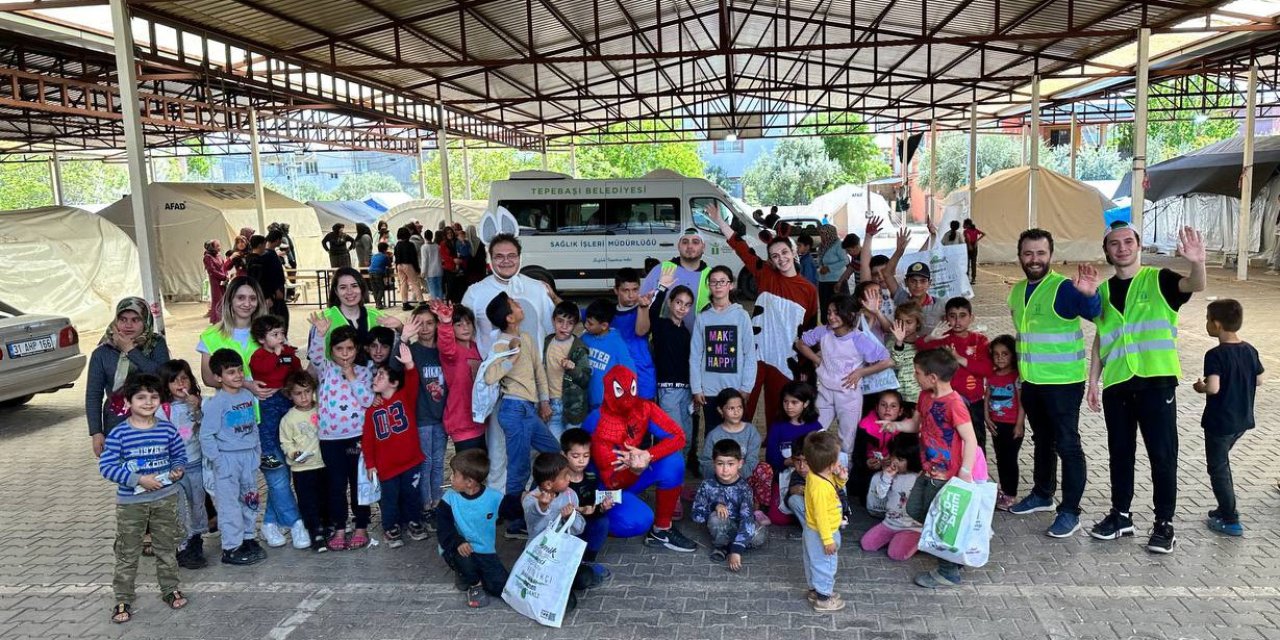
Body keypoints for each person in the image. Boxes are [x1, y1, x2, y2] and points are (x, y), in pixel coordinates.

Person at [1087, 223, 1206, 554]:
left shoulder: (1160, 280)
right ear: (1106, 251)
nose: (1122, 248)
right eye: (1114, 244)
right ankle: (1121, 515)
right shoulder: (1103, 292)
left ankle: (1164, 523)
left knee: (1162, 455)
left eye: (1128, 241)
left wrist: (1197, 262)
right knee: (1119, 453)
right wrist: (1093, 380)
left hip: (1156, 381)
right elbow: (1101, 338)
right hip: (1117, 384)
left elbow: (1195, 284)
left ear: (1138, 246)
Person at [1006, 229, 1101, 539]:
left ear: (1050, 255)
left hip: (1063, 383)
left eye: (1040, 253)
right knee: (1042, 440)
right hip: (1032, 381)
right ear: (1020, 256)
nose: (1034, 259)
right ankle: (1042, 494)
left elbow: (1093, 313)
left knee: (1067, 445)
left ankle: (1070, 512)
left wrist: (1090, 295)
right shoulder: (1017, 291)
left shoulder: (1063, 288)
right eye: (1028, 253)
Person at [460, 231, 556, 495]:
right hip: (496, 386)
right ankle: (499, 499)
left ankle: (531, 498)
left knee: (532, 448)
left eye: (511, 255)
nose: (506, 261)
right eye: (499, 256)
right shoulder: (475, 292)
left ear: (520, 257)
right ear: (490, 259)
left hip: (529, 386)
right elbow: (463, 334)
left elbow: (553, 330)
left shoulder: (536, 289)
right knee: (498, 447)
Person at [707, 206, 819, 424]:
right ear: (770, 260)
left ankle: (775, 447)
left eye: (784, 253)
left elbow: (810, 330)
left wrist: (806, 367)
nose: (781, 258)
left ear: (793, 252)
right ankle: (737, 444)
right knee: (742, 406)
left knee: (779, 413)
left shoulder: (809, 290)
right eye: (775, 256)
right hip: (755, 354)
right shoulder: (765, 274)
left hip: (785, 359)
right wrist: (720, 221)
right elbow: (741, 247)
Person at [882, 348, 981, 589]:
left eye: (917, 373)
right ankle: (953, 551)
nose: (914, 376)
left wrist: (965, 473)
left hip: (946, 475)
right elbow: (916, 425)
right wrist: (895, 426)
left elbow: (970, 439)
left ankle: (948, 572)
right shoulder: (925, 396)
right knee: (916, 509)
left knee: (940, 522)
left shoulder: (955, 404)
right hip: (928, 471)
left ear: (933, 377)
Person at [98, 373, 189, 624]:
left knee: (166, 547)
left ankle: (170, 588)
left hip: (165, 498)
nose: (148, 402)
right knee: (127, 552)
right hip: (131, 505)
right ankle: (123, 597)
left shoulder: (167, 429)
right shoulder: (119, 434)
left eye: (154, 397)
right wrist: (138, 480)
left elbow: (179, 456)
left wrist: (177, 470)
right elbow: (106, 467)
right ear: (128, 402)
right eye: (141, 397)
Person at [585, 366, 697, 551]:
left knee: (673, 461)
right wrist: (636, 469)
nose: (627, 398)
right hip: (603, 487)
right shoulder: (596, 421)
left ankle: (661, 530)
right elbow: (610, 480)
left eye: (631, 389)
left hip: (632, 470)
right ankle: (589, 522)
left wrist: (647, 455)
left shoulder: (644, 408)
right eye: (620, 391)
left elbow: (678, 436)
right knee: (639, 520)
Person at [482, 292, 560, 538]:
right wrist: (511, 358)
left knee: (553, 451)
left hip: (529, 409)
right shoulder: (501, 344)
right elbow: (490, 376)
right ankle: (515, 523)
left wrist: (544, 401)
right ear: (509, 317)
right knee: (518, 468)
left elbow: (539, 371)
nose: (519, 305)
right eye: (514, 304)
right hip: (513, 409)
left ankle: (533, 500)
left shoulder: (526, 337)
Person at [1193, 299, 1263, 537]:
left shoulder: (1215, 355)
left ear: (1217, 324)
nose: (1206, 324)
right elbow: (1259, 379)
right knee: (1222, 462)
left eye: (1207, 320)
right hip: (1242, 419)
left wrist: (1200, 387)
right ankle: (1225, 506)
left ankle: (1230, 518)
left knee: (1218, 468)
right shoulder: (1250, 350)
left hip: (1220, 421)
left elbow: (1213, 387)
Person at [306, 315, 375, 552]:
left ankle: (361, 526)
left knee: (358, 483)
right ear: (332, 350)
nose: (345, 354)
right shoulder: (325, 369)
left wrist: (352, 376)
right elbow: (315, 356)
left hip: (356, 438)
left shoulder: (364, 372)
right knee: (335, 485)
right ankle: (339, 527)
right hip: (330, 439)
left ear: (357, 350)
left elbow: (367, 400)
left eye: (350, 349)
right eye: (339, 349)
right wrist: (320, 334)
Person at [794, 293, 892, 456]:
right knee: (813, 432)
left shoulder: (859, 338)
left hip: (849, 395)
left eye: (837, 313)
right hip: (825, 391)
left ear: (850, 314)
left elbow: (887, 361)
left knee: (847, 440)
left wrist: (861, 372)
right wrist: (818, 360)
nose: (831, 317)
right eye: (829, 313)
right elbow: (800, 344)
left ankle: (845, 470)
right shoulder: (823, 332)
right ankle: (811, 465)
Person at [199, 349, 266, 566]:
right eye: (230, 372)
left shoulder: (247, 395)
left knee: (250, 499)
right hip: (227, 459)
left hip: (248, 457)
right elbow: (206, 435)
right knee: (229, 505)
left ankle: (248, 537)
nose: (237, 375)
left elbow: (253, 425)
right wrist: (218, 462)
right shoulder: (216, 403)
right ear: (218, 377)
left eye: (239, 370)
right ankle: (231, 547)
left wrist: (257, 451)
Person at [246, 314, 307, 550]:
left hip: (286, 403)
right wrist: (279, 355)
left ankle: (270, 522)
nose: (280, 337)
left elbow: (296, 369)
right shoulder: (259, 356)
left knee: (282, 474)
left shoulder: (287, 353)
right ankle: (295, 522)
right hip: (268, 408)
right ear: (262, 339)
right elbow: (264, 369)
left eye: (282, 333)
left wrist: (287, 355)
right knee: (276, 467)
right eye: (274, 334)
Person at [363, 344, 429, 548]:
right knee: (389, 499)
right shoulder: (371, 410)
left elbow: (413, 381)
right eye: (376, 375)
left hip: (411, 462)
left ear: (394, 383)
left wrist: (409, 365)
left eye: (381, 376)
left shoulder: (405, 397)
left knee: (412, 494)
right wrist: (370, 464)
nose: (375, 379)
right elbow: (368, 440)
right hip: (386, 467)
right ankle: (390, 527)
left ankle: (414, 521)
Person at [88, 298, 171, 458]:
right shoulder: (102, 352)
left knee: (154, 468)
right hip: (117, 423)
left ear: (145, 321)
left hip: (154, 420)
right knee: (123, 470)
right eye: (123, 319)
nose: (128, 325)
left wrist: (130, 350)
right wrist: (96, 432)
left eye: (135, 320)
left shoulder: (156, 344)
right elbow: (93, 395)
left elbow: (164, 378)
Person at [916, 297, 992, 453]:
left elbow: (987, 369)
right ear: (945, 318)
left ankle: (977, 468)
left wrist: (960, 359)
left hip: (974, 402)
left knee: (976, 442)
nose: (957, 321)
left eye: (963, 315)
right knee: (948, 441)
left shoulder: (980, 340)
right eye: (952, 316)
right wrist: (930, 337)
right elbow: (920, 347)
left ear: (971, 318)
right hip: (947, 402)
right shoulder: (942, 338)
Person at [690, 266, 757, 438]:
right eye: (713, 282)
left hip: (735, 388)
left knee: (736, 434)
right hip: (709, 389)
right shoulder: (703, 317)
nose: (718, 285)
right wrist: (696, 387)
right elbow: (696, 355)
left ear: (730, 285)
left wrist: (746, 387)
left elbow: (750, 354)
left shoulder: (741, 316)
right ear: (709, 286)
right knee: (712, 434)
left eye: (722, 281)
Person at [437, 449, 508, 608]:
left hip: (485, 550)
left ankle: (470, 576)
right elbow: (443, 528)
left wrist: (527, 500)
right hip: (458, 547)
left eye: (454, 474)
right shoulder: (448, 499)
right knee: (463, 557)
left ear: (469, 482)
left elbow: (511, 511)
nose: (450, 478)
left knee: (500, 587)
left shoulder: (494, 497)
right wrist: (458, 541)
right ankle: (474, 584)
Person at [157, 360, 208, 570]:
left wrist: (198, 409)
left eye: (184, 378)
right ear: (165, 385)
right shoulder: (163, 410)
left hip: (195, 463)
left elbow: (204, 426)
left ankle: (196, 539)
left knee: (198, 503)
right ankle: (182, 545)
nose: (180, 383)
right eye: (174, 380)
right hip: (174, 468)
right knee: (179, 507)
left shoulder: (197, 402)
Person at [692, 439, 768, 571]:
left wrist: (736, 551)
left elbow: (747, 519)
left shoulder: (744, 489)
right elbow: (696, 515)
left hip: (739, 527)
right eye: (720, 463)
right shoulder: (707, 485)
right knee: (717, 518)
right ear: (713, 463)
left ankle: (734, 546)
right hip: (720, 528)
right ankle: (721, 546)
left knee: (760, 535)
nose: (725, 469)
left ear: (740, 464)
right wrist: (714, 506)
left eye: (730, 464)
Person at [645, 269, 696, 466]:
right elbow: (651, 311)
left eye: (687, 305)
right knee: (674, 436)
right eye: (678, 302)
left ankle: (676, 472)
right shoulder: (660, 326)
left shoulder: (686, 332)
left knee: (687, 436)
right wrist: (662, 288)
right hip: (668, 391)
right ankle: (671, 476)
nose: (682, 308)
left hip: (686, 391)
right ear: (670, 303)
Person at [402, 306, 448, 520]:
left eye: (430, 323)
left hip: (442, 417)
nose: (425, 328)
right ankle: (425, 503)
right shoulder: (412, 350)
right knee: (425, 462)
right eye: (419, 324)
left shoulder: (443, 350)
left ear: (437, 324)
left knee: (438, 461)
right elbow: (395, 366)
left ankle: (437, 500)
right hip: (421, 416)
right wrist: (403, 338)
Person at [278, 370, 327, 551]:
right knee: (308, 501)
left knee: (325, 497)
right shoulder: (288, 419)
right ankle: (315, 532)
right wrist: (293, 453)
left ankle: (327, 526)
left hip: (323, 463)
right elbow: (285, 442)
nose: (304, 397)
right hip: (302, 468)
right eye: (298, 393)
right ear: (290, 395)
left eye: (307, 391)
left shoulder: (321, 409)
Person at [762, 381, 822, 525]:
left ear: (806, 403)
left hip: (809, 476)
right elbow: (771, 456)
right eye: (786, 402)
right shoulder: (777, 426)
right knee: (778, 519)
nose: (789, 406)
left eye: (794, 402)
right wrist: (789, 461)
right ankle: (801, 513)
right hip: (783, 474)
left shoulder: (815, 426)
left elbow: (822, 454)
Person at [800, 430, 846, 611]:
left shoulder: (816, 474)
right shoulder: (820, 487)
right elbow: (821, 516)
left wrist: (841, 479)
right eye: (838, 459)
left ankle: (815, 591)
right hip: (822, 533)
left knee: (813, 560)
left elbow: (833, 489)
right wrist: (828, 540)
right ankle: (824, 599)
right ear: (831, 465)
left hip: (812, 530)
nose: (840, 462)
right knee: (825, 564)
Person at [432, 301, 487, 452]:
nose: (465, 327)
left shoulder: (477, 348)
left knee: (483, 464)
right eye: (458, 324)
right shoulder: (452, 352)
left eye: (468, 323)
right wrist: (445, 323)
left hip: (481, 421)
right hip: (462, 423)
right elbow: (446, 344)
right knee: (468, 465)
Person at [860, 433, 923, 562]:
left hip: (912, 527)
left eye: (900, 460)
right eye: (894, 457)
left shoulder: (920, 478)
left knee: (896, 554)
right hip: (890, 523)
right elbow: (880, 495)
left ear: (912, 460)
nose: (895, 462)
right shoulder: (892, 474)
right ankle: (898, 539)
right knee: (867, 544)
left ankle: (917, 540)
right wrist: (886, 477)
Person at [561, 428, 611, 579]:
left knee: (602, 522)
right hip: (564, 528)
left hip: (584, 524)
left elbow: (593, 505)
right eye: (575, 456)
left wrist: (602, 507)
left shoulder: (591, 477)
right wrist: (578, 510)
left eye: (586, 456)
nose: (581, 461)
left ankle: (588, 561)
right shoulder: (559, 481)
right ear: (564, 455)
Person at [698, 389, 765, 500]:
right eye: (731, 408)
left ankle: (757, 503)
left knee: (764, 469)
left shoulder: (751, 431)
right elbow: (705, 462)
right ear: (720, 410)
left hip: (744, 478)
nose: (736, 412)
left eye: (740, 407)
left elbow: (752, 461)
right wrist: (724, 474)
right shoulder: (714, 435)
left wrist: (735, 475)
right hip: (721, 477)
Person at [313, 266, 396, 358]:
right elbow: (314, 360)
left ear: (361, 288)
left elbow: (394, 350)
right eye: (343, 287)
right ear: (336, 291)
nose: (350, 292)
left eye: (354, 286)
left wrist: (400, 328)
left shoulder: (376, 316)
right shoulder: (322, 319)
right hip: (333, 367)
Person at [640, 228, 712, 328]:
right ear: (678, 246)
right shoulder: (661, 269)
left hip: (699, 337)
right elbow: (642, 303)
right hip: (663, 336)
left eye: (695, 242)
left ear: (703, 247)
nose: (690, 246)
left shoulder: (712, 276)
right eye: (685, 242)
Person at [986, 335, 1026, 511]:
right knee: (1000, 458)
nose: (1000, 358)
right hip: (996, 424)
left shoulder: (1016, 377)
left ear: (1013, 356)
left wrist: (1019, 424)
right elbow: (987, 397)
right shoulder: (991, 375)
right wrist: (987, 417)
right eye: (996, 354)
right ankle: (1004, 490)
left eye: (1005, 354)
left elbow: (1022, 402)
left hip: (1012, 425)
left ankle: (1011, 493)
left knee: (1010, 459)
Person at [544, 301, 591, 439]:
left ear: (575, 325)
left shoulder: (579, 348)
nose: (564, 326)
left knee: (572, 447)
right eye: (560, 321)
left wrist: (573, 369)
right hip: (552, 405)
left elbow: (585, 380)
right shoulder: (547, 342)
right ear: (553, 320)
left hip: (574, 407)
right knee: (555, 447)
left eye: (569, 323)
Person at [609, 268, 657, 400]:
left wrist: (643, 308)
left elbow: (641, 331)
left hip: (642, 376)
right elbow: (574, 314)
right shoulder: (608, 312)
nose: (631, 295)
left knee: (644, 412)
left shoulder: (645, 308)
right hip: (617, 377)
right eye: (625, 290)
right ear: (616, 290)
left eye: (635, 290)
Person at [580, 299, 636, 410]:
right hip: (586, 402)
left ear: (604, 326)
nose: (586, 325)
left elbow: (630, 372)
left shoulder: (617, 344)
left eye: (590, 323)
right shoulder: (585, 338)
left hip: (607, 404)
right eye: (586, 321)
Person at [887, 303, 925, 412]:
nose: (904, 326)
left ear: (918, 324)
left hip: (919, 397)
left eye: (909, 322)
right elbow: (896, 364)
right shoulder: (892, 343)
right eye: (900, 322)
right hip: (898, 397)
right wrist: (899, 342)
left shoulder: (922, 343)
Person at [816, 225, 848, 317]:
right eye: (820, 234)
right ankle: (826, 323)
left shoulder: (838, 245)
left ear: (830, 234)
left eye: (823, 234)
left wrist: (829, 268)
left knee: (838, 306)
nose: (821, 236)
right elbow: (821, 261)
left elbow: (845, 261)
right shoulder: (822, 245)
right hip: (823, 280)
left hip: (837, 280)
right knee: (825, 306)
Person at [394, 227, 424, 311]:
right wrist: (417, 268)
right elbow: (413, 257)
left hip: (399, 265)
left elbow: (396, 257)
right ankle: (421, 302)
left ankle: (405, 303)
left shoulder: (397, 245)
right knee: (415, 283)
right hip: (408, 264)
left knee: (403, 284)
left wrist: (397, 268)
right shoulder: (410, 244)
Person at [203, 240, 229, 323]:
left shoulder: (219, 255)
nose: (219, 247)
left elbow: (224, 266)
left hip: (223, 280)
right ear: (212, 247)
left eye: (219, 245)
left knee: (224, 299)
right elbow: (212, 270)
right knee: (218, 299)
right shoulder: (207, 257)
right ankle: (217, 320)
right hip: (215, 281)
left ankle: (224, 318)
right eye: (217, 246)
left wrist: (226, 276)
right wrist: (223, 276)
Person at [420, 229, 444, 301]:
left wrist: (423, 272)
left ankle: (435, 304)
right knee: (439, 288)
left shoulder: (424, 247)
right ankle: (441, 303)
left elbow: (425, 260)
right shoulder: (437, 246)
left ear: (425, 237)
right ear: (432, 236)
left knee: (432, 290)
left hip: (430, 272)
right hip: (439, 270)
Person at [369, 242, 392, 309]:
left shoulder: (374, 256)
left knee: (375, 289)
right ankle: (378, 304)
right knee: (381, 288)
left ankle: (378, 304)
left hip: (370, 272)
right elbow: (389, 265)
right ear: (385, 249)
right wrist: (389, 257)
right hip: (378, 273)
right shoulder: (385, 256)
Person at [963, 219, 986, 283]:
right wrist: (976, 241)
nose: (963, 225)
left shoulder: (966, 231)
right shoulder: (975, 230)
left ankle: (967, 278)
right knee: (973, 263)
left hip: (968, 246)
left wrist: (969, 245)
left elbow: (968, 238)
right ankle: (973, 278)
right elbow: (984, 234)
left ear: (967, 225)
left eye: (964, 224)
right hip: (975, 247)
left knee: (967, 263)